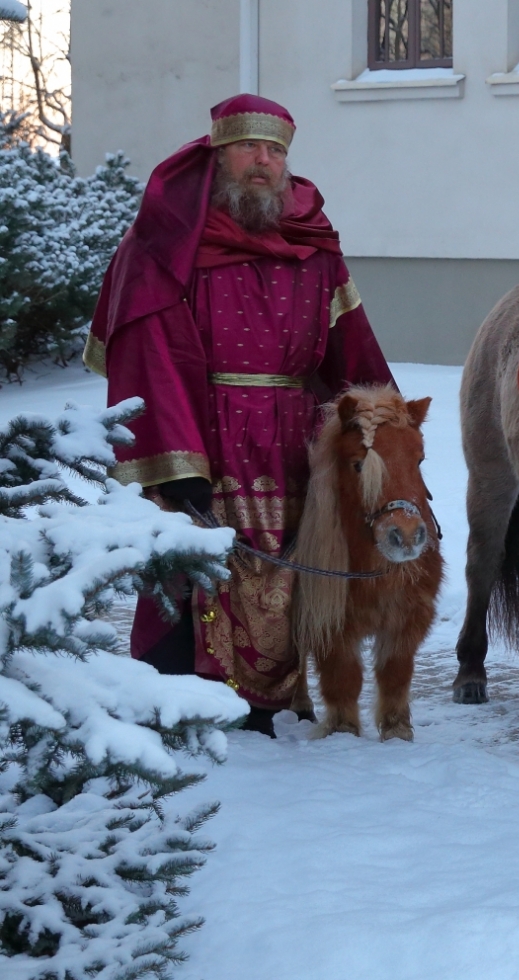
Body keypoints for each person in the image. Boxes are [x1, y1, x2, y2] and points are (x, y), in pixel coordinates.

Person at [85, 94, 394, 737]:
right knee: (196, 567)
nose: (264, 161)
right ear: (217, 154)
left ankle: (266, 703)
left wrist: (383, 429)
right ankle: (182, 699)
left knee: (285, 567)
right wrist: (177, 461)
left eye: (275, 150)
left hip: (291, 432)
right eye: (249, 147)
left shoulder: (313, 245)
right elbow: (152, 356)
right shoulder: (168, 244)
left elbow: (353, 350)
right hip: (204, 425)